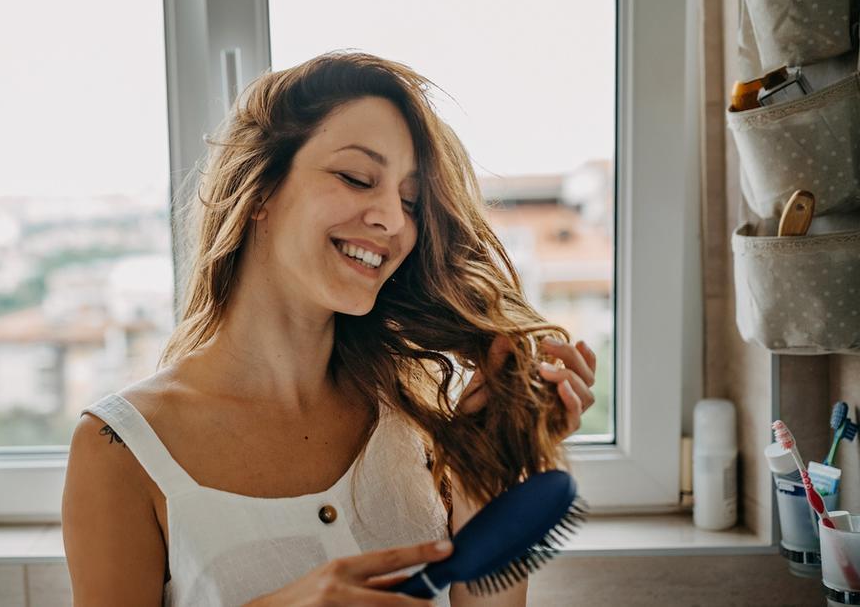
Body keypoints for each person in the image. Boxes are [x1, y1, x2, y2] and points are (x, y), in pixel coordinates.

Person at [62, 51, 597, 606]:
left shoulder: (417, 423)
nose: (392, 219)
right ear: (260, 189)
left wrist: (489, 473)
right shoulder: (123, 448)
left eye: (410, 201)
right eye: (356, 178)